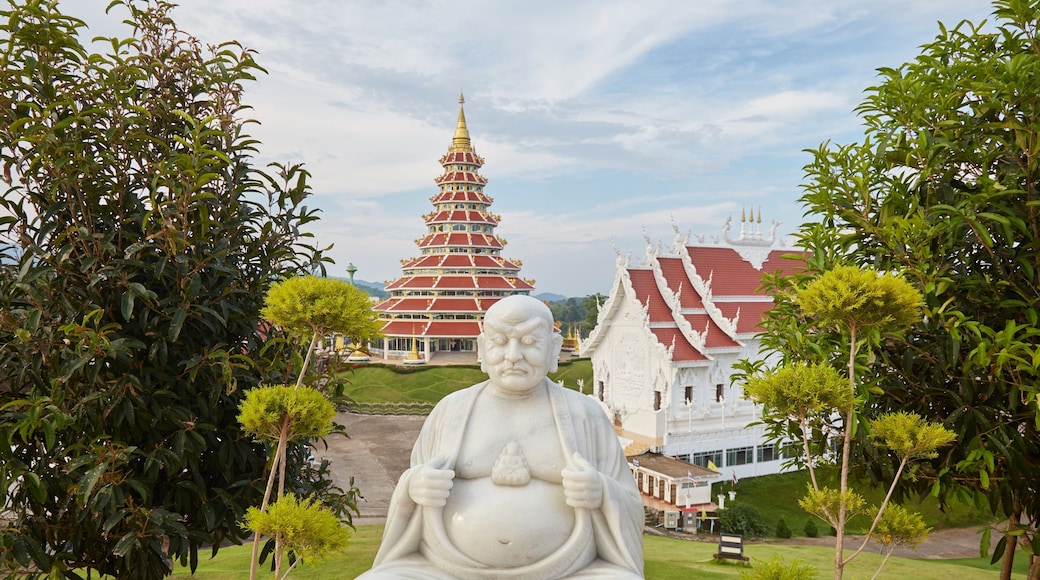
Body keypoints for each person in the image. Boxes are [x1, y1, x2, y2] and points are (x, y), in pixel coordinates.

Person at [360, 295, 644, 579]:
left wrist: (602, 492)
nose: (513, 355)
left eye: (530, 343)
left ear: (554, 350)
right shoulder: (451, 410)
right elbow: (413, 483)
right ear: (482, 349)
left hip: (568, 570)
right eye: (499, 342)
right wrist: (416, 486)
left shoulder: (586, 414)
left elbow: (630, 503)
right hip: (445, 569)